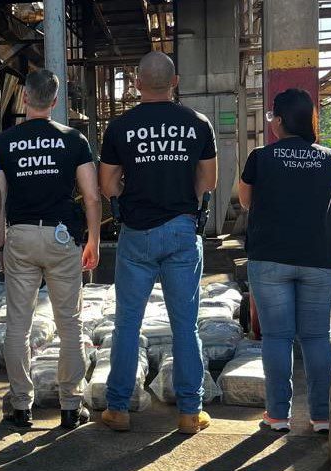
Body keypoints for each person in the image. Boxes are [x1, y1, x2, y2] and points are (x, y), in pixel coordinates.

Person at [98, 51, 217, 434]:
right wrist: (185, 203)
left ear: (136, 84)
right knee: (185, 326)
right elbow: (209, 181)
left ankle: (118, 409)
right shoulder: (198, 123)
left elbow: (107, 184)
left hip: (137, 235)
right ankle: (190, 412)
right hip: (183, 231)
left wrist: (128, 198)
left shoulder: (119, 127)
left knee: (127, 324)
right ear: (175, 82)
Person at [0, 69, 101, 430]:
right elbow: (91, 196)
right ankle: (70, 405)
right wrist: (93, 239)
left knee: (18, 325)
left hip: (21, 235)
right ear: (55, 101)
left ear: (25, 97)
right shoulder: (73, 140)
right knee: (69, 324)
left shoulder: (5, 142)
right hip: (61, 237)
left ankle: (21, 405)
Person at [238, 88, 331, 434]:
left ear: (280, 121)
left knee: (277, 337)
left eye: (273, 116)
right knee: (316, 336)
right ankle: (322, 416)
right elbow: (328, 199)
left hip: (270, 256)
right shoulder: (328, 158)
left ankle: (278, 415)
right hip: (320, 256)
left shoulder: (260, 157)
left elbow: (246, 202)